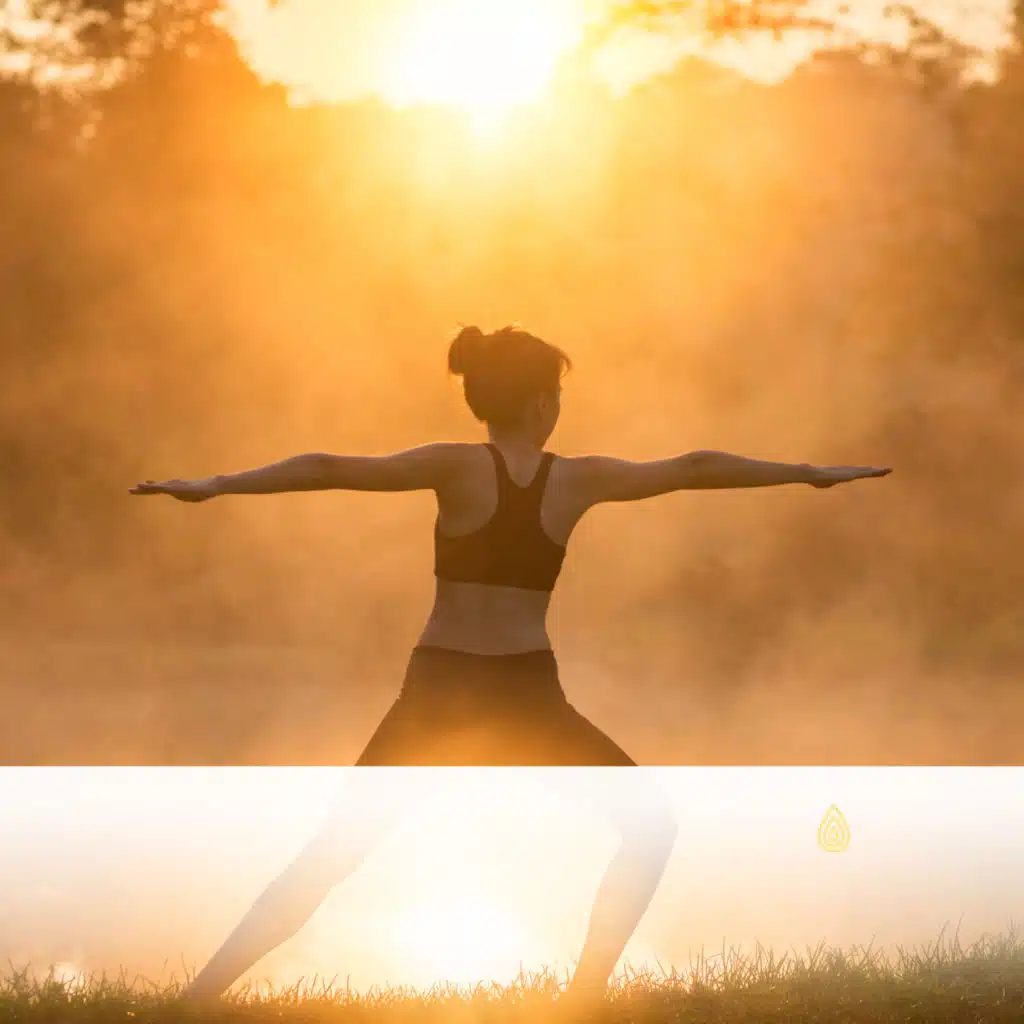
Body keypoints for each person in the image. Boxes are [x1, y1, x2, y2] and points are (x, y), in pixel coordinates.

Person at [130, 324, 891, 1007]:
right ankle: (584, 995)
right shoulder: (576, 479)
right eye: (555, 394)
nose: (559, 406)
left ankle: (197, 1000)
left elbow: (331, 465)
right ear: (537, 404)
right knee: (649, 830)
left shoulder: (454, 466)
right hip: (519, 695)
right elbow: (693, 466)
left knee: (334, 856)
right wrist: (807, 470)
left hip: (449, 689)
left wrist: (217, 486)